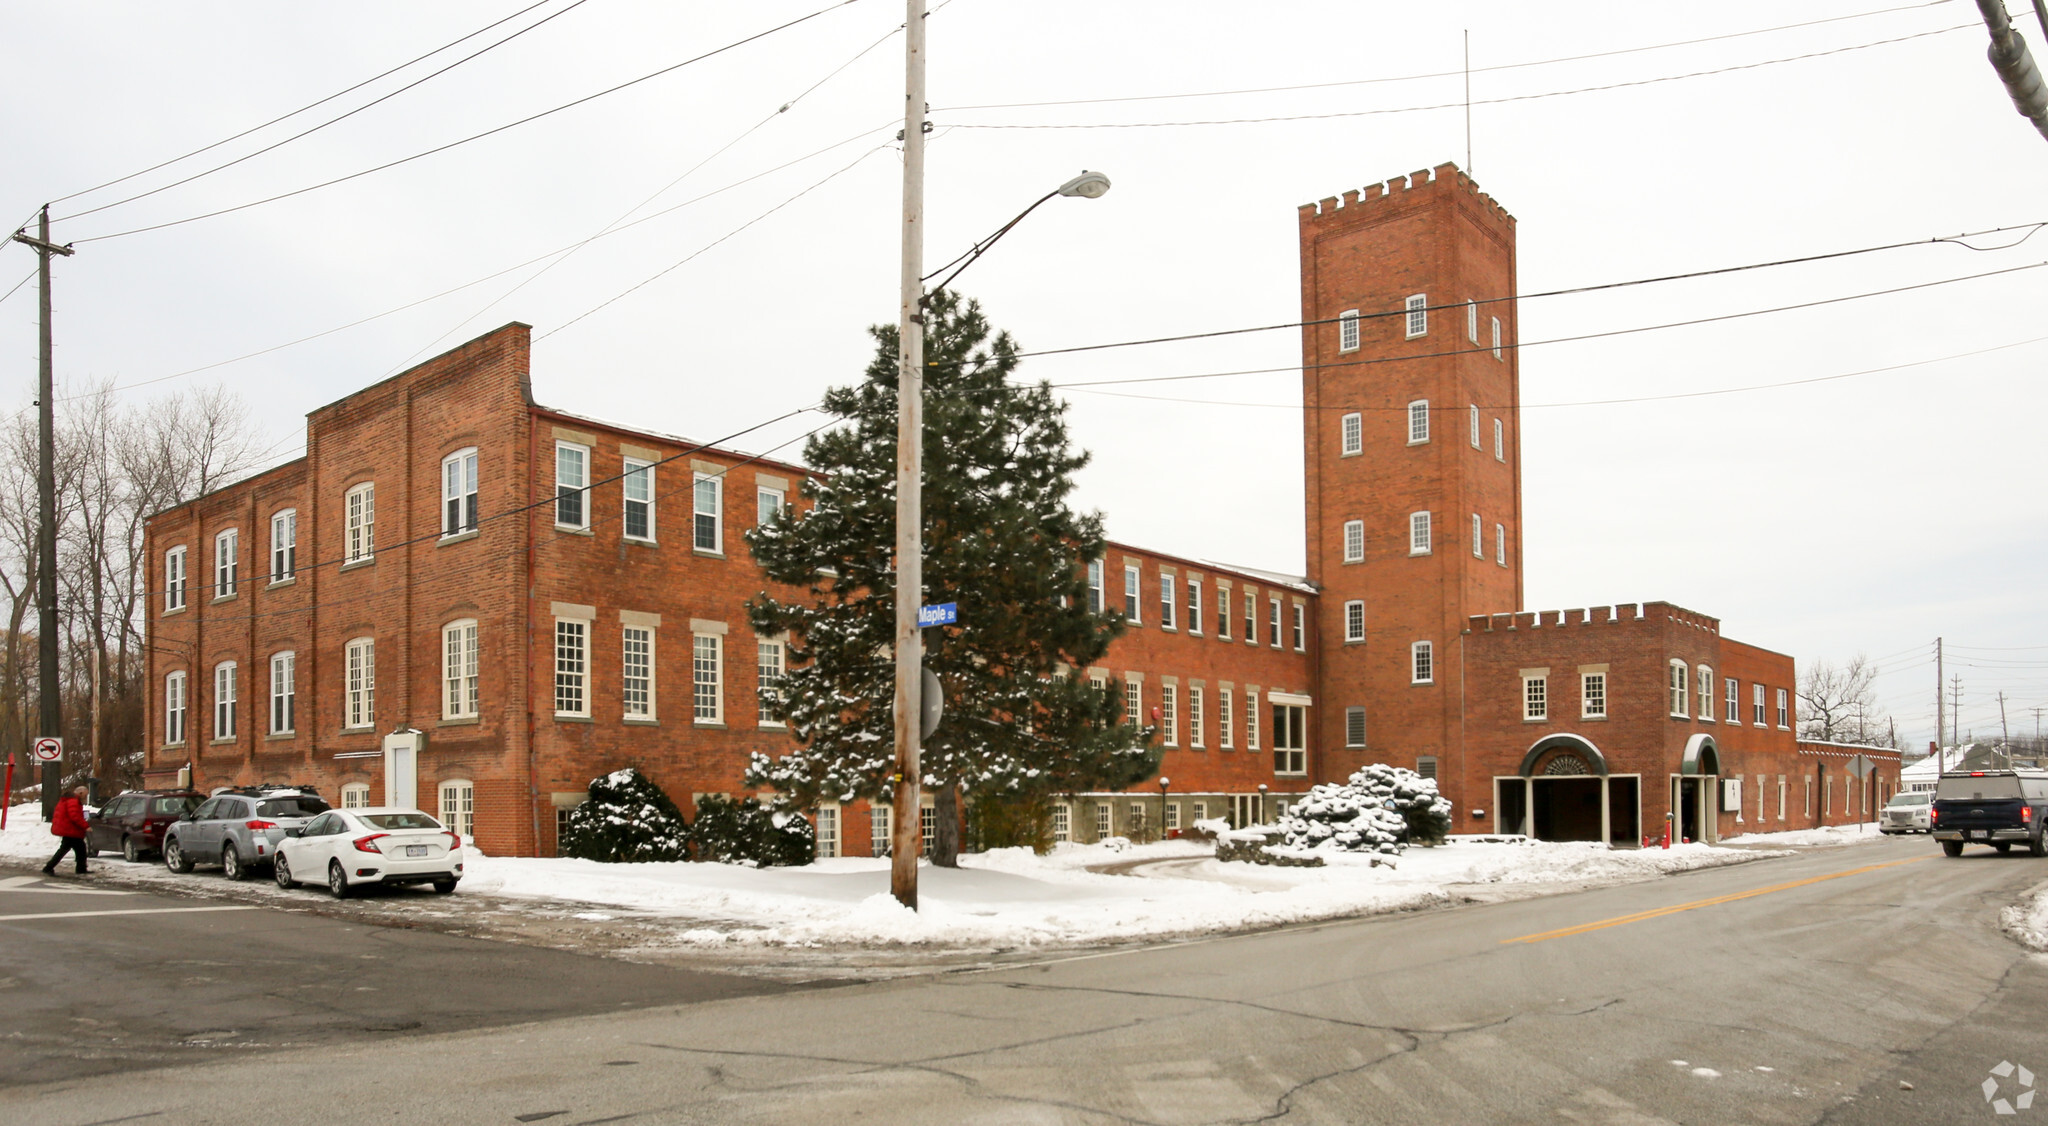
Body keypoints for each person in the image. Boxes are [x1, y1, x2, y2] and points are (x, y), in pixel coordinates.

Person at [44, 786, 90, 877]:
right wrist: (85, 826)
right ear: (80, 793)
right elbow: (75, 816)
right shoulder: (73, 801)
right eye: (85, 794)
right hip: (70, 830)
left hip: (69, 829)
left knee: (79, 849)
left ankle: (81, 868)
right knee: (72, 849)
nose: (85, 797)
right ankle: (48, 867)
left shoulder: (69, 800)